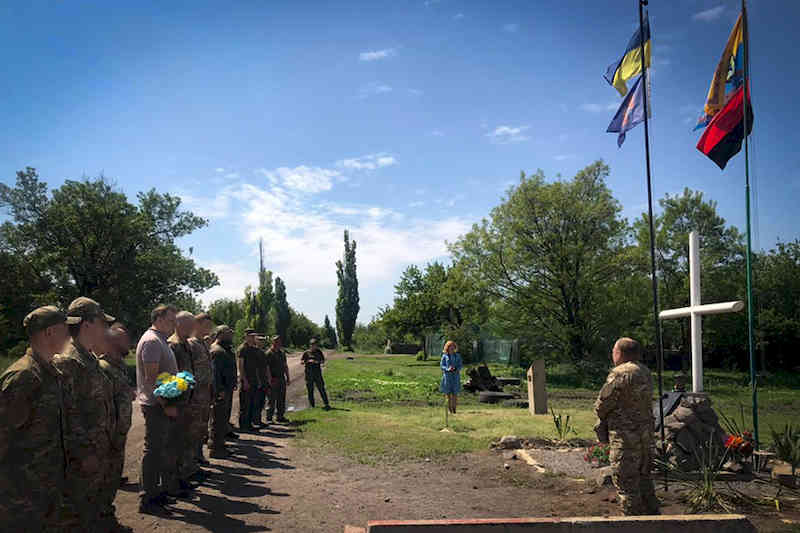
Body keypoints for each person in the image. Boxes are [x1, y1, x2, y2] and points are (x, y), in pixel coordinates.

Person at [0, 306, 76, 532]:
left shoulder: (50, 371)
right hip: (23, 495)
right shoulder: (24, 376)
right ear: (50, 332)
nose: (70, 335)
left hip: (48, 487)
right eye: (65, 329)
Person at [53, 296, 117, 531]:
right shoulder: (68, 360)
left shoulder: (89, 357)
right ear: (87, 324)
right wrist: (84, 452)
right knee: (76, 516)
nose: (106, 329)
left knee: (92, 510)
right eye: (103, 323)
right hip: (81, 458)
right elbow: (67, 415)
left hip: (97, 450)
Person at [594, 337, 660, 516]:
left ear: (619, 353)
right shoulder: (645, 371)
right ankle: (656, 521)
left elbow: (604, 403)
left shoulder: (620, 373)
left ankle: (632, 521)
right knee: (645, 481)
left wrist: (600, 415)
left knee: (627, 484)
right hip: (645, 435)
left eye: (614, 350)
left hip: (625, 437)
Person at [136, 304, 180, 515]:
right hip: (156, 406)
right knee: (153, 451)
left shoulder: (160, 340)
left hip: (161, 405)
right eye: (172, 320)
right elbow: (151, 378)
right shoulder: (152, 341)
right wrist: (167, 405)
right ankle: (148, 498)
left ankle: (156, 492)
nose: (175, 324)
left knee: (160, 450)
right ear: (160, 318)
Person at [98, 322, 136, 532]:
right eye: (124, 338)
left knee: (113, 479)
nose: (129, 342)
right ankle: (102, 521)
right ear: (112, 341)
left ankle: (106, 518)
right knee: (104, 481)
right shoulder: (103, 367)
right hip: (108, 435)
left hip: (119, 433)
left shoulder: (119, 365)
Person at [168, 311, 199, 491]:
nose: (192, 329)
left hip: (188, 399)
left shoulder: (186, 344)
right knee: (174, 442)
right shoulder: (173, 345)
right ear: (179, 324)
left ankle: (182, 476)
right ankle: (173, 482)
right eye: (189, 325)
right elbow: (170, 375)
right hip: (178, 400)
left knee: (185, 440)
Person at [208, 325, 237, 458]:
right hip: (221, 391)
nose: (231, 336)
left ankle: (221, 444)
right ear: (220, 334)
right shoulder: (217, 351)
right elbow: (215, 374)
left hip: (227, 389)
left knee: (223, 419)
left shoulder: (225, 350)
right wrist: (219, 390)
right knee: (218, 420)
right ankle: (215, 448)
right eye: (228, 333)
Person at [190, 312, 215, 466]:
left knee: (202, 428)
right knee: (193, 429)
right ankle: (192, 460)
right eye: (207, 325)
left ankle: (198, 456)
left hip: (205, 392)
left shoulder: (203, 344)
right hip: (195, 394)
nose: (210, 328)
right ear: (197, 325)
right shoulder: (192, 344)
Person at [236, 328, 263, 431]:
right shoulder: (242, 348)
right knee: (245, 404)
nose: (252, 338)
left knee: (252, 403)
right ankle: (243, 425)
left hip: (254, 380)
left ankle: (249, 424)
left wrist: (258, 380)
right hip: (246, 380)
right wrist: (244, 380)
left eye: (253, 336)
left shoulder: (253, 349)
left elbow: (256, 366)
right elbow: (241, 366)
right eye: (250, 336)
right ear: (246, 336)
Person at [301, 338, 330, 411]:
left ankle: (326, 403)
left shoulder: (319, 352)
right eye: (312, 345)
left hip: (317, 374)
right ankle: (312, 405)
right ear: (310, 345)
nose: (313, 346)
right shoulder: (306, 353)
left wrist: (317, 362)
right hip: (309, 374)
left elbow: (323, 361)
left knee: (321, 388)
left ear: (316, 345)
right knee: (310, 390)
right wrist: (307, 361)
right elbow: (302, 361)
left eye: (315, 345)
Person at [265, 335, 290, 422]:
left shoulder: (282, 353)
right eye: (276, 342)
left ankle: (280, 416)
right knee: (271, 399)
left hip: (281, 378)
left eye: (279, 342)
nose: (278, 343)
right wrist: (269, 379)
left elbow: (285, 366)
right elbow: (267, 368)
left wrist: (288, 377)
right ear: (273, 342)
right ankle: (269, 418)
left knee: (281, 398)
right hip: (273, 379)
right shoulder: (269, 353)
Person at [439, 340, 462, 414]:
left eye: (453, 346)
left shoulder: (457, 355)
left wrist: (456, 369)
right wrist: (447, 369)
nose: (451, 348)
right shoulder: (444, 356)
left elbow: (460, 365)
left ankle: (454, 409)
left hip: (455, 376)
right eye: (450, 347)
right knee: (448, 393)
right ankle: (449, 409)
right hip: (447, 376)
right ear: (447, 348)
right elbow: (442, 366)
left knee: (455, 393)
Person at [254, 335, 271, 426]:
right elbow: (255, 368)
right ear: (256, 341)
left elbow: (266, 367)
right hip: (258, 380)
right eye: (260, 340)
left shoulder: (263, 352)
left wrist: (268, 379)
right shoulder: (255, 352)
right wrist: (258, 381)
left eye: (263, 340)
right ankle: (256, 420)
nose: (262, 342)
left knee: (262, 401)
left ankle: (259, 420)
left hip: (264, 380)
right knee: (256, 401)